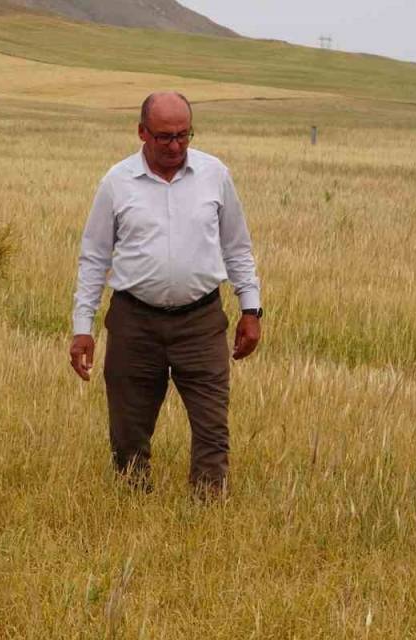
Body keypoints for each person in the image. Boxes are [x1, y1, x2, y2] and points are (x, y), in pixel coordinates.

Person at [69, 91, 262, 496]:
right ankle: (132, 501)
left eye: (183, 135)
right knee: (128, 429)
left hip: (202, 321)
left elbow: (237, 247)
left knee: (212, 425)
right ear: (141, 132)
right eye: (164, 137)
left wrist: (251, 309)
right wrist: (81, 327)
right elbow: (94, 258)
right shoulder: (116, 183)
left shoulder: (215, 175)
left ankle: (208, 510)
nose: (175, 146)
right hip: (133, 321)